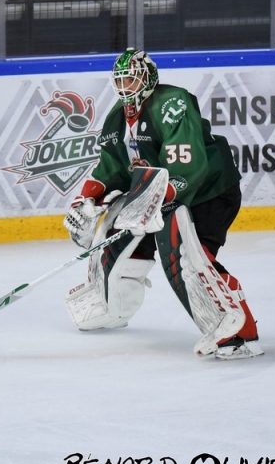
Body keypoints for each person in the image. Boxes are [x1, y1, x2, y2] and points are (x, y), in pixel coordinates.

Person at [62, 48, 263, 360]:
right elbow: (112, 170)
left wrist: (157, 198)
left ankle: (240, 334)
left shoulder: (172, 103)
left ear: (149, 78)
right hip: (159, 196)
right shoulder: (117, 119)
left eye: (132, 79)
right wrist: (85, 198)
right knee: (114, 228)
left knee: (191, 258)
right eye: (121, 80)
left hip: (208, 192)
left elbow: (188, 166)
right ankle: (111, 305)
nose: (126, 87)